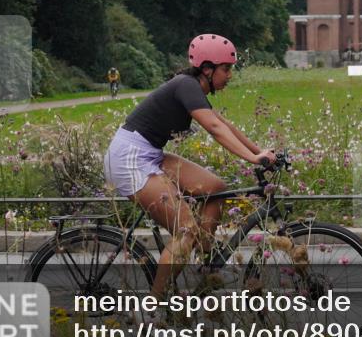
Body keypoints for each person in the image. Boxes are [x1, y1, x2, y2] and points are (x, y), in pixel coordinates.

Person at [103, 34, 275, 298]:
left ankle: (207, 266)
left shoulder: (194, 89)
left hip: (148, 152)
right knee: (186, 230)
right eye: (226, 69)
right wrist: (253, 160)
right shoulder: (185, 85)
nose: (230, 75)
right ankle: (153, 308)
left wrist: (260, 151)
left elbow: (224, 124)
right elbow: (215, 129)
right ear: (207, 69)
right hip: (129, 158)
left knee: (216, 189)